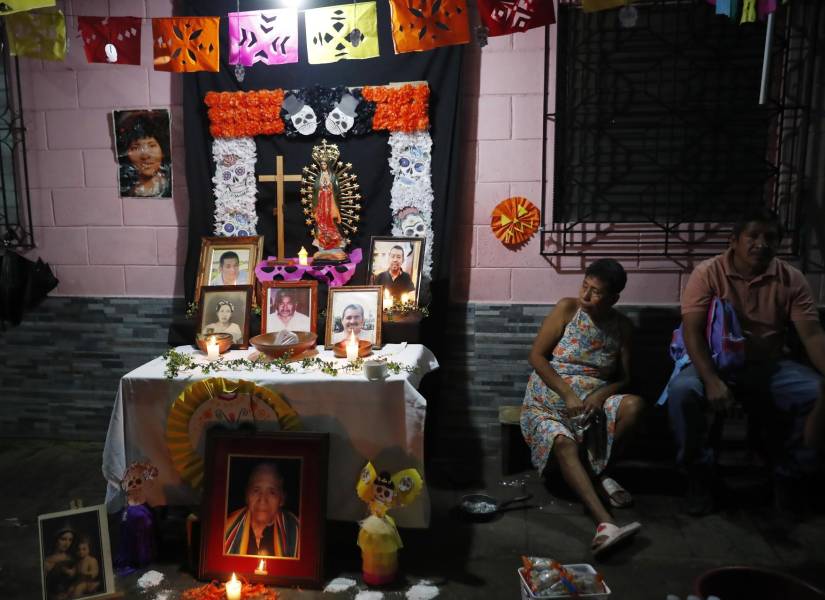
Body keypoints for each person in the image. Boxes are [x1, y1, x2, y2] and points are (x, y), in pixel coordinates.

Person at [665, 208, 824, 516]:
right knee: (683, 392)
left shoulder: (791, 278)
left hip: (767, 365)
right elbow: (692, 331)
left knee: (818, 392)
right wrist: (711, 381)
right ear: (734, 241)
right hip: (712, 362)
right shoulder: (708, 272)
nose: (761, 244)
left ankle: (789, 475)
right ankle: (699, 475)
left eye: (770, 238)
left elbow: (813, 335)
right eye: (753, 236)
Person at [520, 258, 644, 556]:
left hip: (591, 402)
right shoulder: (568, 308)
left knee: (635, 406)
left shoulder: (623, 327)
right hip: (548, 400)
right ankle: (605, 523)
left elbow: (626, 378)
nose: (586, 297)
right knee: (562, 441)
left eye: (596, 292)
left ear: (614, 298)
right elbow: (536, 357)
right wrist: (567, 393)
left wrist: (601, 395)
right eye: (584, 287)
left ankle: (599, 474)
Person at [224, 462, 299, 557]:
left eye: (272, 492)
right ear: (247, 495)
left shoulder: (296, 531)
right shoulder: (225, 529)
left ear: (282, 499)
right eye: (256, 490)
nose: (262, 500)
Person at [116, 111, 172, 198]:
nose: (145, 156)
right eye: (136, 148)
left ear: (162, 150)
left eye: (152, 146)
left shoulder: (174, 188)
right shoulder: (126, 193)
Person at [312, 160, 345, 251]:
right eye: (321, 164)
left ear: (328, 165)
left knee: (332, 218)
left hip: (330, 201)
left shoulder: (333, 176)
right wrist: (321, 189)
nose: (323, 165)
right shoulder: (319, 176)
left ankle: (335, 239)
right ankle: (323, 240)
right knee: (322, 218)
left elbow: (337, 189)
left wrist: (330, 187)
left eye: (325, 164)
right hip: (322, 201)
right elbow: (315, 188)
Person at [44, 526, 76, 600]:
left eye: (70, 540)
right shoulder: (47, 560)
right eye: (63, 539)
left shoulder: (71, 559)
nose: (67, 543)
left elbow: (75, 581)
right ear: (56, 539)